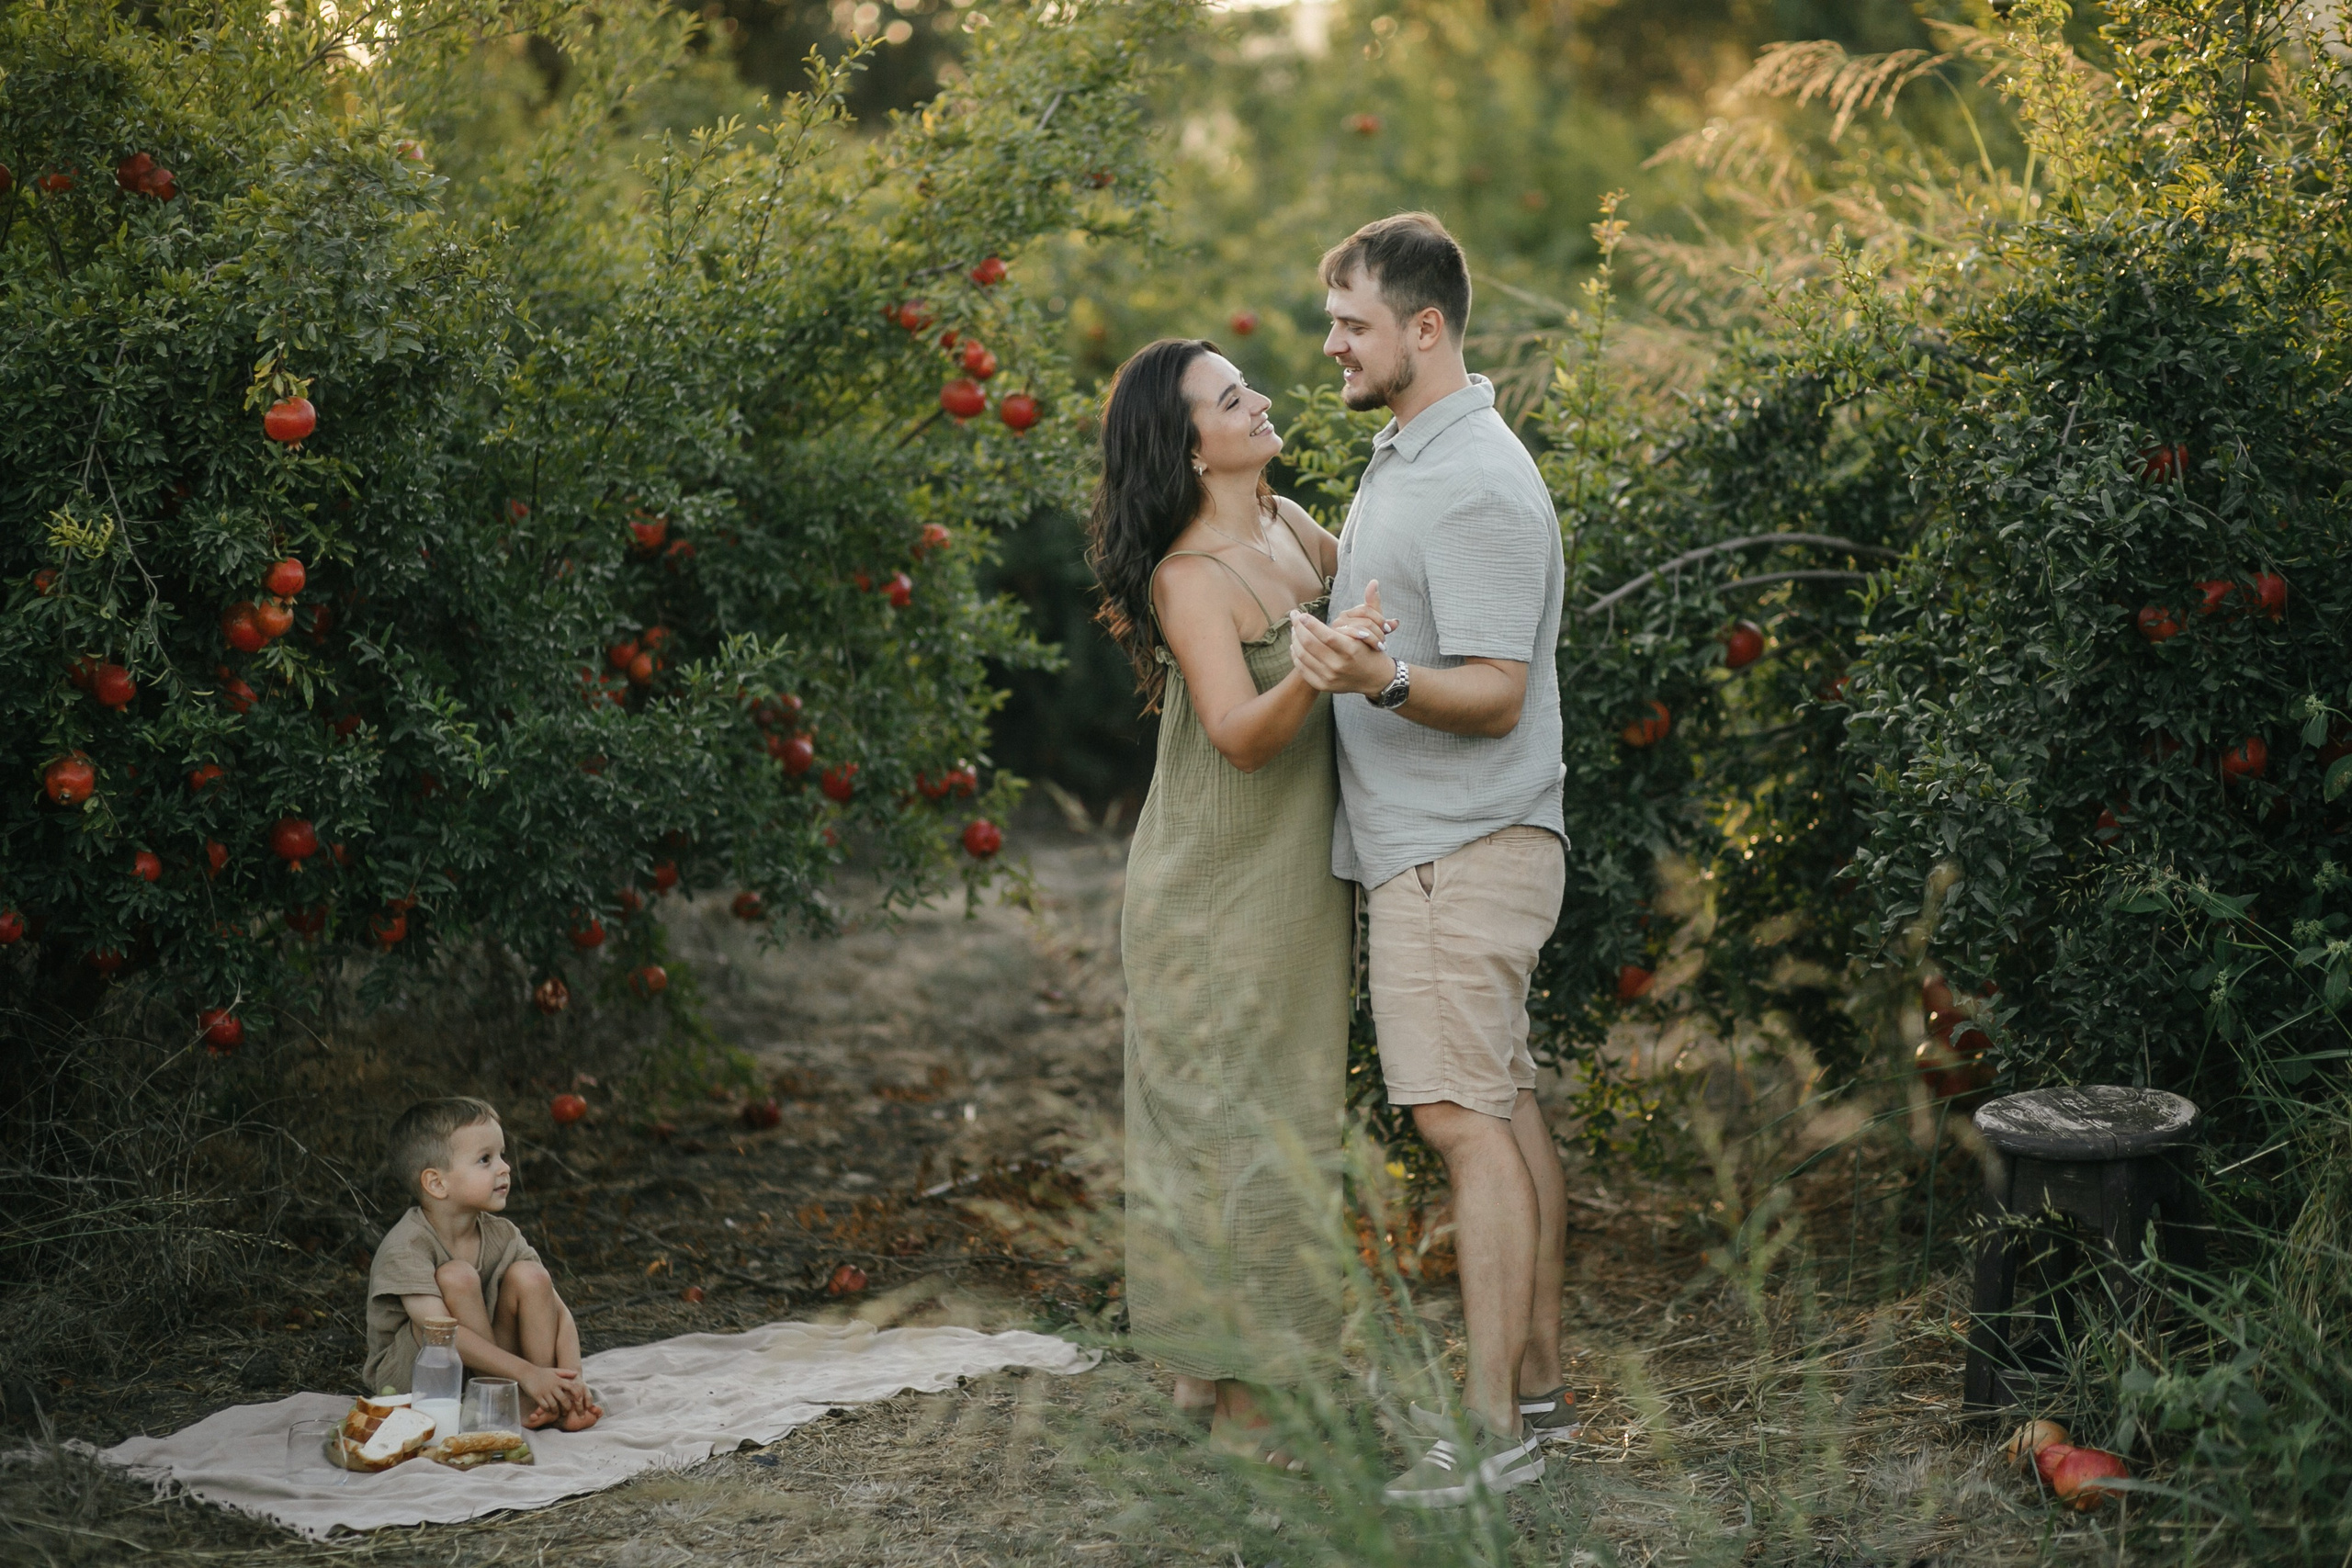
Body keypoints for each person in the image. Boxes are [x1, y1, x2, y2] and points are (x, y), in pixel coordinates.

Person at [1289, 212, 1572, 1508]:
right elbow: (1398, 586)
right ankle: (1543, 1396)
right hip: (1442, 849)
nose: (1329, 342)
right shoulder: (1416, 452)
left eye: (1350, 321)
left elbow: (1500, 690)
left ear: (1425, 327)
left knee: (1462, 1122)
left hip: (1459, 851)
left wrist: (1386, 680)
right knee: (1500, 1106)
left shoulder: (1480, 480)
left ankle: (1492, 1425)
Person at [1091, 336, 1388, 1472]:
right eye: (1230, 398)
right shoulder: (1187, 578)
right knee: (1239, 1122)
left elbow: (1355, 605)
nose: (1258, 401)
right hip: (1215, 880)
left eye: (1244, 385)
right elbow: (1236, 737)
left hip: (1291, 878)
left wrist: (1351, 640)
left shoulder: (1289, 525)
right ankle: (1247, 1395)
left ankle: (1210, 1360)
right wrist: (1315, 674)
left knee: (1282, 1107)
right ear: (1188, 444)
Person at [363, 1097, 603, 1431]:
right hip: (421, 1378)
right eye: (485, 1159)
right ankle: (508, 1399)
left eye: (502, 1155)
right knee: (455, 1279)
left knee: (532, 1277)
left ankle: (546, 1399)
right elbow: (437, 1333)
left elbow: (558, 1311)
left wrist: (573, 1381)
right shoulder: (406, 1246)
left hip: (496, 1364)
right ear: (436, 1183)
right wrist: (527, 1374)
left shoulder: (502, 1234)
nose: (504, 1168)